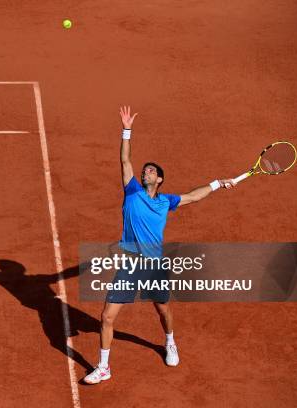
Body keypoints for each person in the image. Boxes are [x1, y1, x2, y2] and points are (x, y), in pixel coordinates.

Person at [84, 106, 236, 384]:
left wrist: (217, 183)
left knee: (163, 308)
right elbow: (125, 160)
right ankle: (104, 367)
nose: (146, 172)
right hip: (129, 264)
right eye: (145, 170)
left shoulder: (166, 201)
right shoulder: (131, 191)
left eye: (151, 171)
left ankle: (170, 342)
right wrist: (126, 130)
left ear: (160, 179)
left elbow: (193, 197)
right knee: (107, 316)